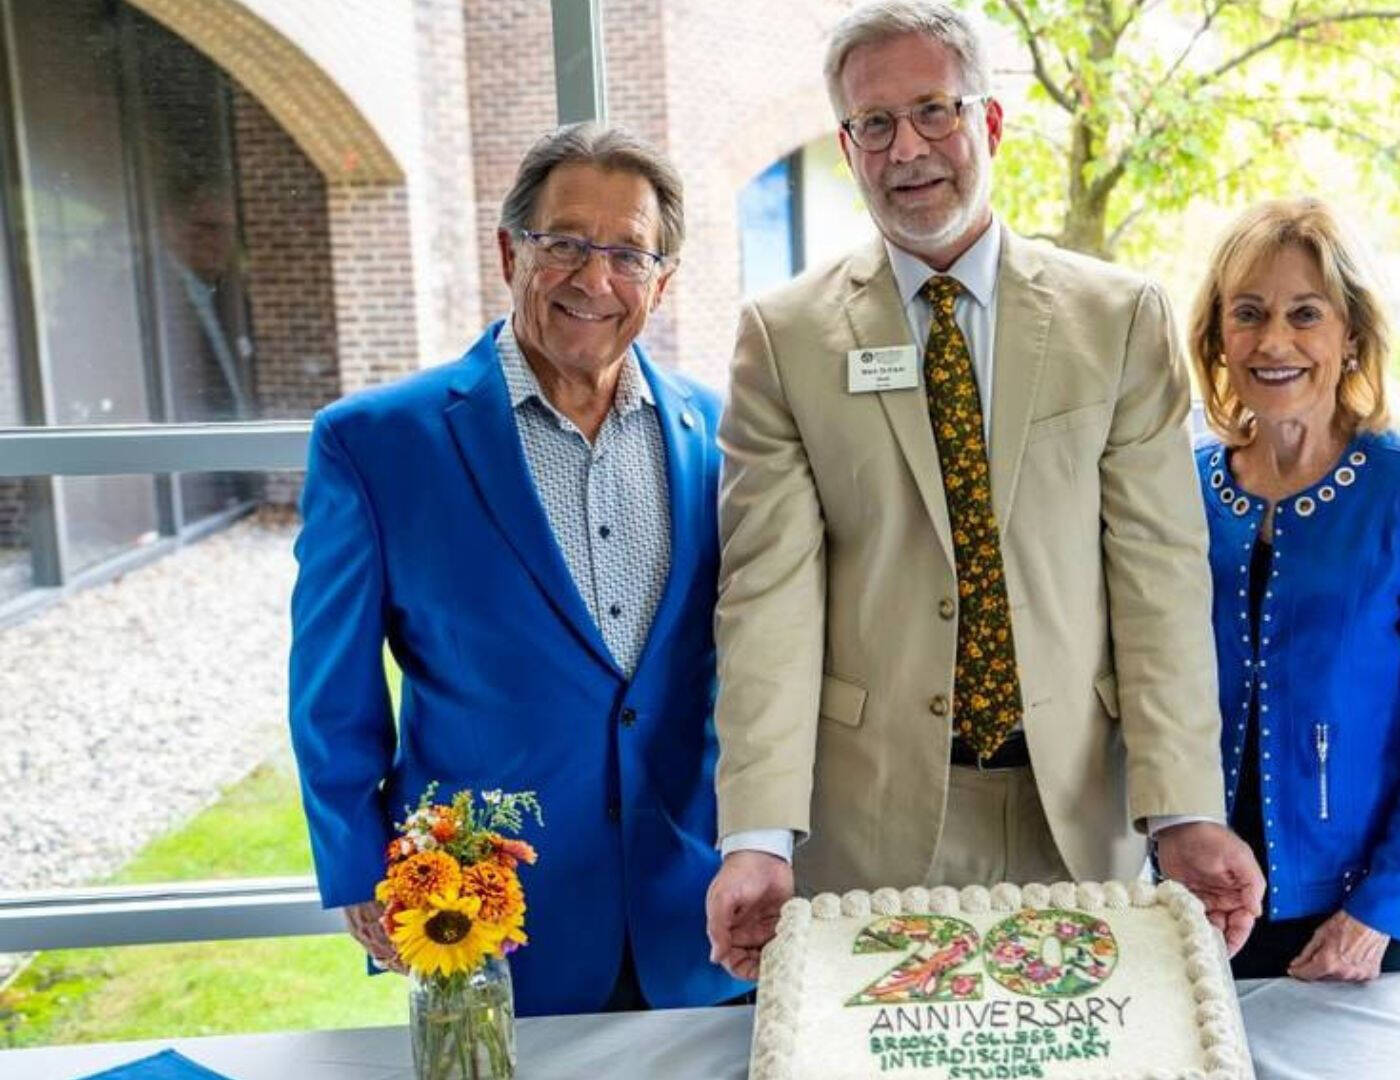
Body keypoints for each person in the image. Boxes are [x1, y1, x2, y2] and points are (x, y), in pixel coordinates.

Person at [704, 0, 1262, 982]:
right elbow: (767, 600)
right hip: (871, 822)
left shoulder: (1118, 321)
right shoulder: (783, 339)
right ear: (848, 147)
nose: (908, 147)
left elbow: (1159, 582)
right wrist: (757, 832)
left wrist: (1185, 809)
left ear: (989, 124)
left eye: (934, 111)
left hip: (1077, 807)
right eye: (874, 124)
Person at [289, 123, 747, 1014]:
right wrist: (354, 863)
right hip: (489, 915)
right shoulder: (376, 443)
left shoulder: (718, 432)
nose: (594, 278)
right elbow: (331, 685)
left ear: (663, 279)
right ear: (509, 251)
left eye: (627, 253)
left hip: (695, 908)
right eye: (565, 244)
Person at [1186, 197, 1400, 981]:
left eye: (1305, 314)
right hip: (1201, 905)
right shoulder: (1176, 490)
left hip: (1360, 922)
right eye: (1248, 314)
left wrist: (1377, 913)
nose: (1274, 341)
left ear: (1350, 335)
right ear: (1218, 338)